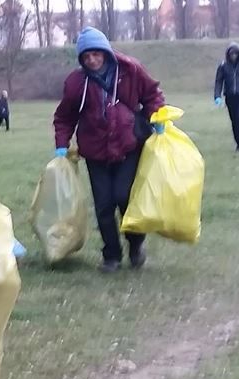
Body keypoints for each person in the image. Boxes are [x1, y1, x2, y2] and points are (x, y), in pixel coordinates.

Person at [52, 27, 165, 273]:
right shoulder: (76, 83)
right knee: (103, 206)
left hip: (128, 146)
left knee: (124, 197)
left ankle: (136, 245)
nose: (92, 60)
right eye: (86, 56)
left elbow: (152, 94)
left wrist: (158, 116)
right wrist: (62, 145)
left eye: (96, 54)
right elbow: (63, 117)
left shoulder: (130, 70)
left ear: (105, 52)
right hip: (96, 153)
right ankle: (111, 255)